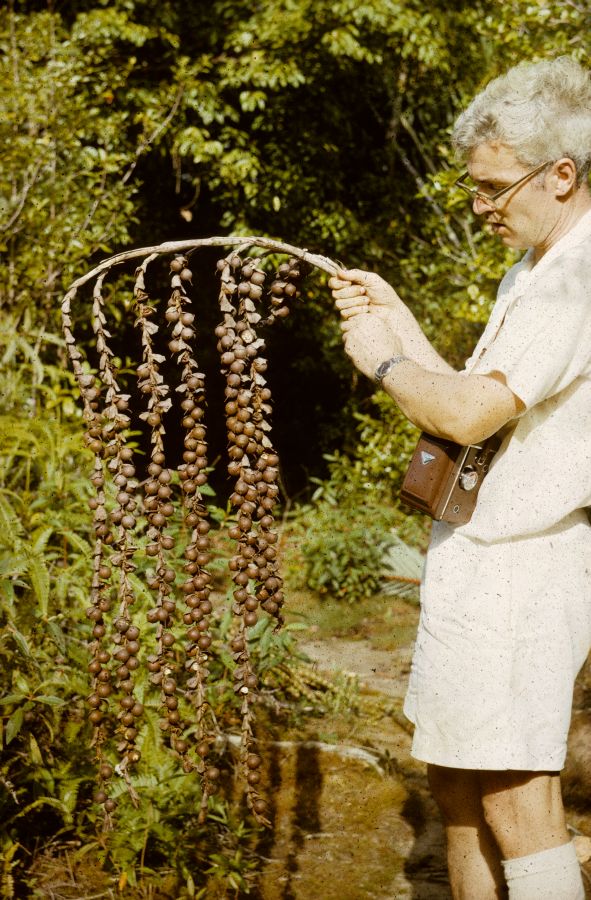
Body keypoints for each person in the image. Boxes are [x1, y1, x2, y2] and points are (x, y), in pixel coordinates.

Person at [329, 56, 591, 900]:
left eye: (492, 188)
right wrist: (396, 319)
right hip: (478, 555)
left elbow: (469, 417)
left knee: (516, 795)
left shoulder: (576, 279)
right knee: (456, 781)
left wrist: (383, 362)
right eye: (471, 188)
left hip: (528, 563)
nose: (479, 208)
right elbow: (475, 403)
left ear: (560, 174)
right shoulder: (536, 268)